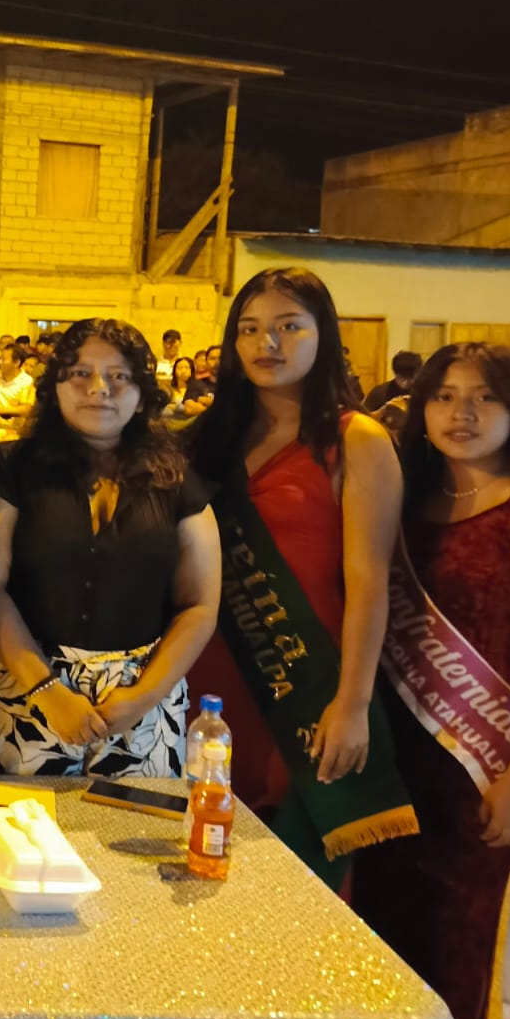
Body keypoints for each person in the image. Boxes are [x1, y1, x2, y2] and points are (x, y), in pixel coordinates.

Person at [353, 343, 510, 1019]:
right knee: (367, 957)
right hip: (383, 769)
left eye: (485, 396)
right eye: (445, 395)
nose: (463, 412)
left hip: (476, 778)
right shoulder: (400, 504)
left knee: (449, 969)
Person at [188, 267, 414, 886]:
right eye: (250, 329)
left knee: (290, 887)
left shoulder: (356, 440)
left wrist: (353, 703)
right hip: (207, 682)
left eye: (290, 327)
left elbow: (370, 582)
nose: (268, 343)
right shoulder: (209, 440)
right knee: (197, 864)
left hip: (305, 683)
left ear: (325, 336)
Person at [0, 319, 219, 776]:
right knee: (20, 823)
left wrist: (143, 695)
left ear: (142, 394)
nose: (99, 388)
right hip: (24, 694)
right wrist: (47, 691)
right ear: (55, 386)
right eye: (80, 373)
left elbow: (200, 604)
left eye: (119, 375)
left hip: (144, 703)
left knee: (132, 823)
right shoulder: (9, 468)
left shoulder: (176, 479)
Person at [0, 343, 36, 423]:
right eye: (0, 358)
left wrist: (0, 410)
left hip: (11, 425)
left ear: (16, 363)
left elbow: (26, 410)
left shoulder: (27, 381)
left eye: (3, 359)